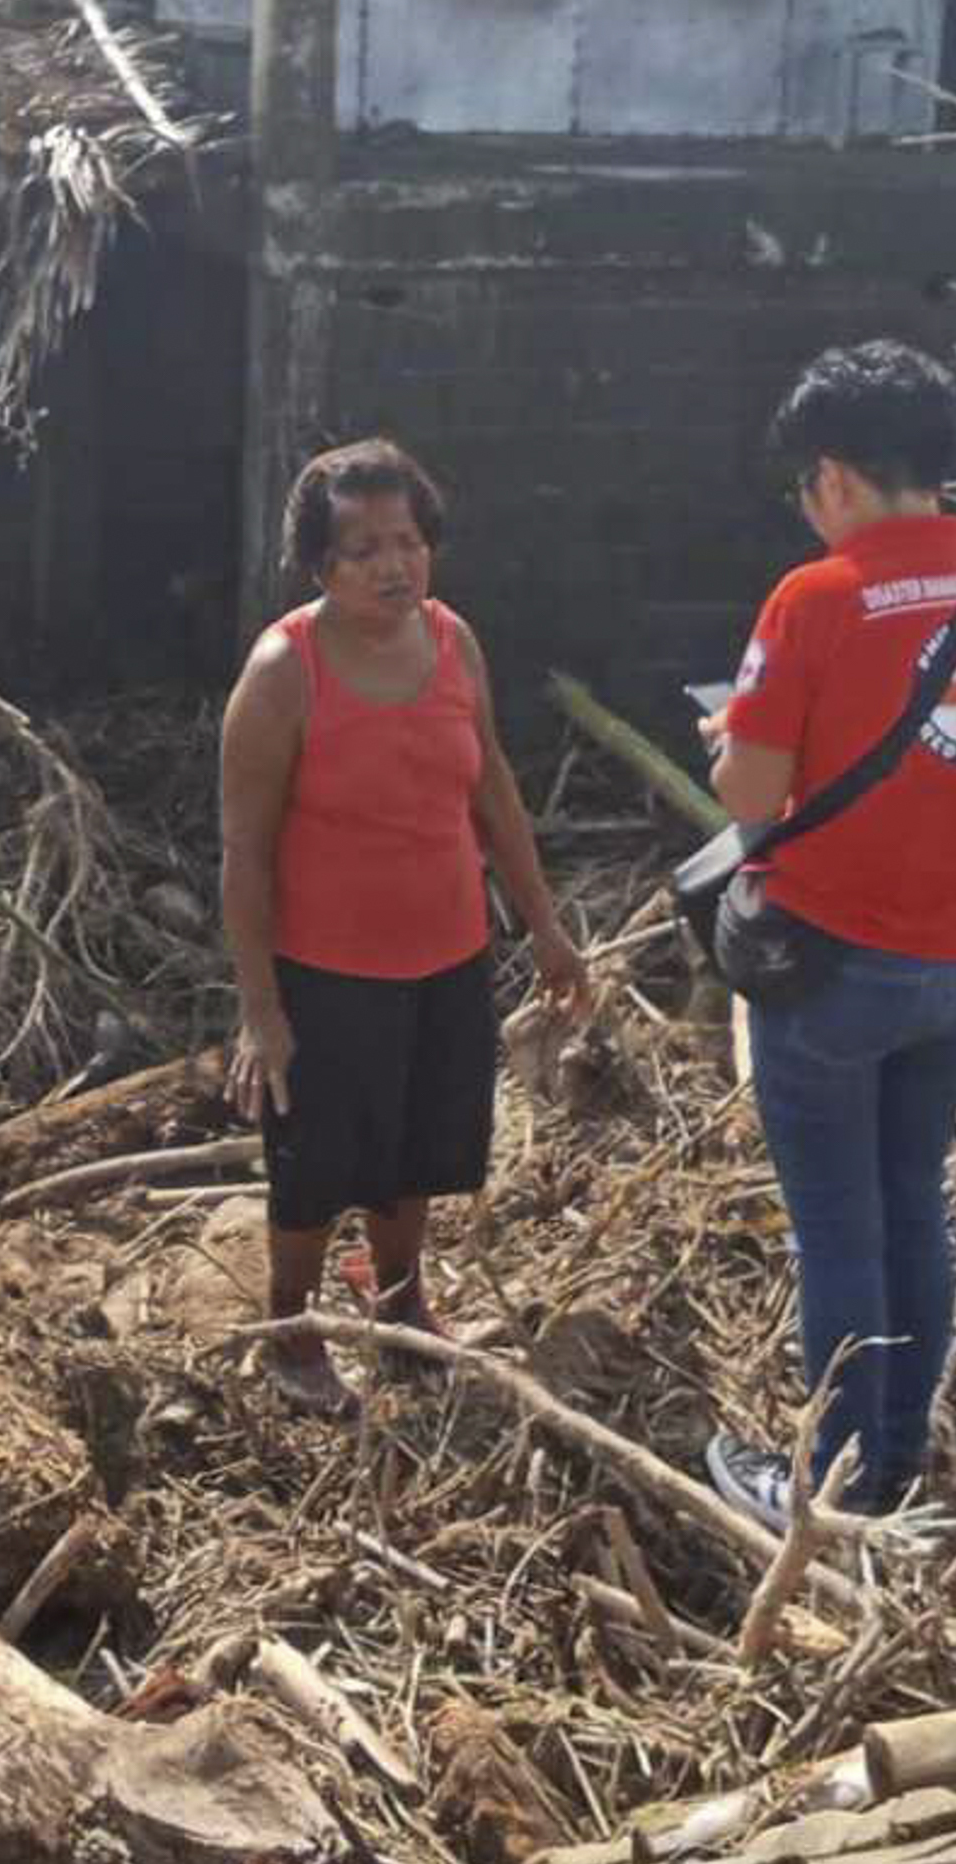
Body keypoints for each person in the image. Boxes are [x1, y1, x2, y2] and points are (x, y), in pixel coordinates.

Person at [698, 342, 956, 1527]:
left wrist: (733, 738)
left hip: (835, 965)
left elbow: (749, 793)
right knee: (912, 1200)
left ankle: (838, 1484)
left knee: (836, 1229)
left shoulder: (813, 598)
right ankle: (900, 1451)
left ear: (835, 475)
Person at [220, 438, 594, 1417]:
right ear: (319, 565)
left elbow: (492, 788)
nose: (393, 565)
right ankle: (291, 1330)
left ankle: (399, 1300)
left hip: (447, 953)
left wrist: (544, 924)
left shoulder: (452, 640)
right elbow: (244, 855)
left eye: (408, 542)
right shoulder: (283, 672)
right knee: (315, 1161)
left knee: (421, 1143)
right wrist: (260, 1010)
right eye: (364, 550)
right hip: (325, 971)